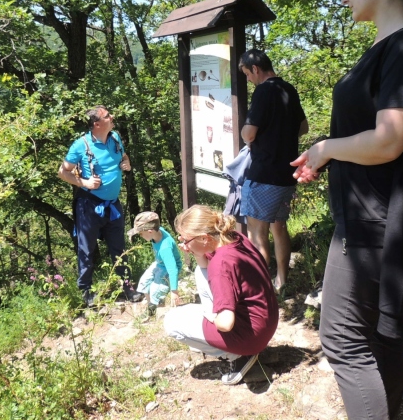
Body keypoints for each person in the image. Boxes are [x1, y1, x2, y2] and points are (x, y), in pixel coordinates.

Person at [291, 0, 403, 419]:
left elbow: (391, 139)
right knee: (380, 336)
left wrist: (323, 149)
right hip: (373, 214)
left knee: (340, 340)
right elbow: (380, 140)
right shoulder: (392, 48)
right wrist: (332, 157)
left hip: (377, 220)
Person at [163, 205, 279, 385]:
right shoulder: (234, 238)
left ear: (204, 238)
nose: (183, 243)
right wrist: (194, 250)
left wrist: (210, 315)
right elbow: (206, 267)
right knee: (198, 271)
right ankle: (236, 346)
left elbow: (225, 324)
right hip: (266, 322)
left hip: (252, 337)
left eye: (186, 240)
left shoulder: (220, 264)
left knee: (171, 321)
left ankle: (238, 356)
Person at [58, 105, 144, 307]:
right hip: (89, 206)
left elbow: (123, 157)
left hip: (112, 204)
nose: (112, 116)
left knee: (118, 248)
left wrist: (127, 164)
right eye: (107, 116)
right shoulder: (81, 145)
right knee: (86, 250)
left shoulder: (114, 137)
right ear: (97, 123)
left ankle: (128, 288)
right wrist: (84, 183)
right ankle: (86, 293)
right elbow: (63, 172)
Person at [239, 49, 309, 294]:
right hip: (287, 174)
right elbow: (303, 127)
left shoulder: (263, 91)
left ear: (255, 69)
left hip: (264, 174)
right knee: (279, 227)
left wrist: (249, 136)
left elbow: (249, 133)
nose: (249, 79)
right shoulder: (288, 89)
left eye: (247, 74)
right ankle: (282, 281)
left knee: (256, 233)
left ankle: (260, 291)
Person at [127, 211, 183, 319]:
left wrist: (174, 291)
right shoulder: (157, 231)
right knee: (143, 282)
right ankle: (152, 305)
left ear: (150, 231)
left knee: (154, 290)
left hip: (168, 267)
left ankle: (152, 311)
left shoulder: (165, 248)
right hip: (160, 263)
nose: (140, 236)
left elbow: (173, 269)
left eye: (141, 233)